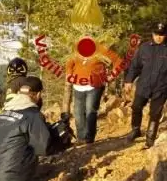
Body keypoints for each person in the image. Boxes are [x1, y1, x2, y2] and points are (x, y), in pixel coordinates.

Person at [62, 42, 123, 144]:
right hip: (78, 86)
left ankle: (89, 139)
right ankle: (81, 138)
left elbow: (118, 61)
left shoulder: (101, 51)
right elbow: (69, 63)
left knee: (90, 111)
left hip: (95, 86)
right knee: (78, 113)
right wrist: (69, 74)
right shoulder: (77, 51)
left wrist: (112, 76)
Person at [123, 21, 167, 149]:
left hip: (161, 87)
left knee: (155, 113)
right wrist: (129, 80)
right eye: (156, 34)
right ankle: (135, 130)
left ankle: (150, 138)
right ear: (152, 34)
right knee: (136, 107)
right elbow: (135, 66)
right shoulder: (144, 48)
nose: (159, 37)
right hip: (144, 85)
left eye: (162, 34)